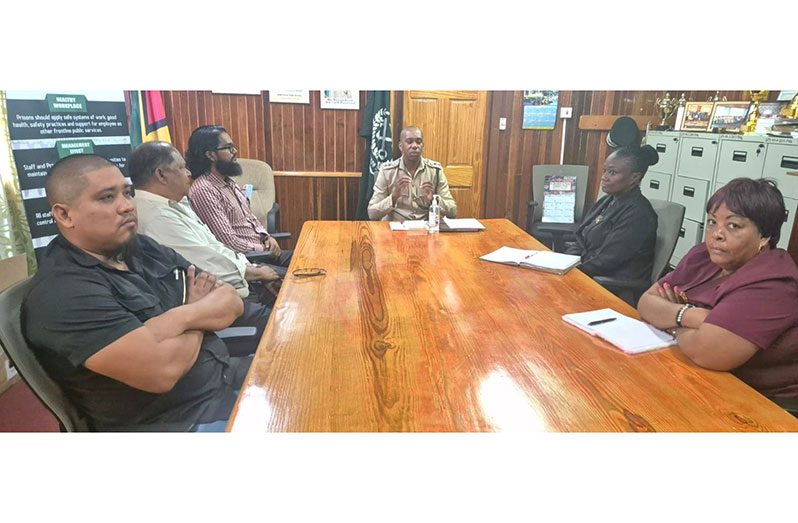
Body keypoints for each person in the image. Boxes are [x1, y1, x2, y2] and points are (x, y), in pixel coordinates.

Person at [23, 154, 254, 430]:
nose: (126, 207)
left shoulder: (142, 248)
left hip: (226, 376)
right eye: (107, 198)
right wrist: (197, 313)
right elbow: (163, 371)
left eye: (127, 193)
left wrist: (177, 318)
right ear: (64, 214)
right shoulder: (62, 294)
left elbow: (230, 299)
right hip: (182, 421)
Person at [638, 178, 798, 400]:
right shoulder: (702, 256)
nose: (716, 234)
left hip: (755, 399)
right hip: (689, 370)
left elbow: (709, 352)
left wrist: (669, 323)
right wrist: (692, 316)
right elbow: (646, 302)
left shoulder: (773, 282)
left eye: (734, 226)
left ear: (765, 236)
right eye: (713, 222)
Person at [129, 141, 280, 306]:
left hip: (241, 277)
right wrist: (255, 274)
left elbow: (214, 246)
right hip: (224, 298)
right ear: (161, 175)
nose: (188, 173)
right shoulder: (156, 218)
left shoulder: (175, 202)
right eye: (182, 168)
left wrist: (252, 269)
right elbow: (204, 264)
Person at [185, 125, 292, 271]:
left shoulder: (228, 181)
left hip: (263, 252)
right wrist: (262, 249)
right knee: (304, 279)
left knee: (314, 261)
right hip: (247, 262)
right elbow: (227, 242)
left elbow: (250, 218)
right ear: (210, 155)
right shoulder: (204, 191)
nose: (234, 151)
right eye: (228, 147)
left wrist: (267, 237)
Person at [564, 144, 659, 284]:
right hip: (588, 272)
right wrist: (563, 261)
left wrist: (569, 272)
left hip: (610, 284)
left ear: (634, 178)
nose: (604, 177)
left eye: (612, 173)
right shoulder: (608, 200)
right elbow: (581, 239)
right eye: (605, 171)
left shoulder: (638, 214)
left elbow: (606, 261)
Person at [367, 126, 457, 221]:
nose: (414, 146)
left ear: (422, 145)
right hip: (395, 230)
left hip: (425, 230)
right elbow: (372, 213)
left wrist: (434, 200)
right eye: (409, 142)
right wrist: (393, 198)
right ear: (400, 146)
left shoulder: (435, 171)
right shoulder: (387, 171)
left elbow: (453, 211)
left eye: (418, 142)